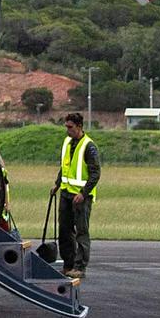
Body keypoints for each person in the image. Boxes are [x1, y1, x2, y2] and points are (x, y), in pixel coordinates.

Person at [50, 113, 99, 280]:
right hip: (65, 193)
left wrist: (83, 193)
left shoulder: (89, 146)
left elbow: (95, 174)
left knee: (81, 232)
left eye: (70, 127)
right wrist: (57, 184)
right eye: (66, 127)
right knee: (64, 230)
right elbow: (65, 166)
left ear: (79, 126)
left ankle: (80, 267)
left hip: (81, 197)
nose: (67, 130)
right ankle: (68, 264)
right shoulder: (67, 142)